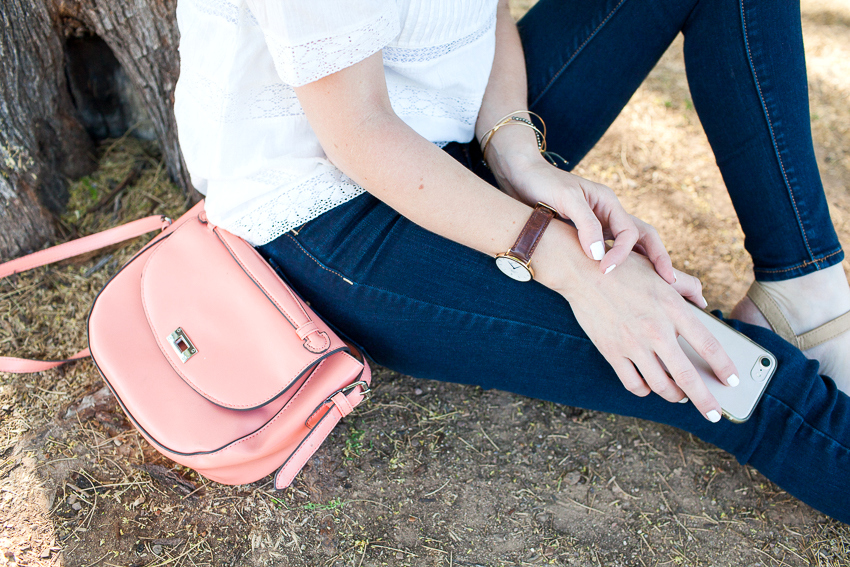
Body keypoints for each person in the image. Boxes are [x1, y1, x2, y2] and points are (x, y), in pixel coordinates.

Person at [173, 0, 850, 523]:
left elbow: (484, 12)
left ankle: (806, 292)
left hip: (456, 132)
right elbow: (359, 130)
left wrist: (517, 151)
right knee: (721, 367)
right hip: (328, 211)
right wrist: (554, 252)